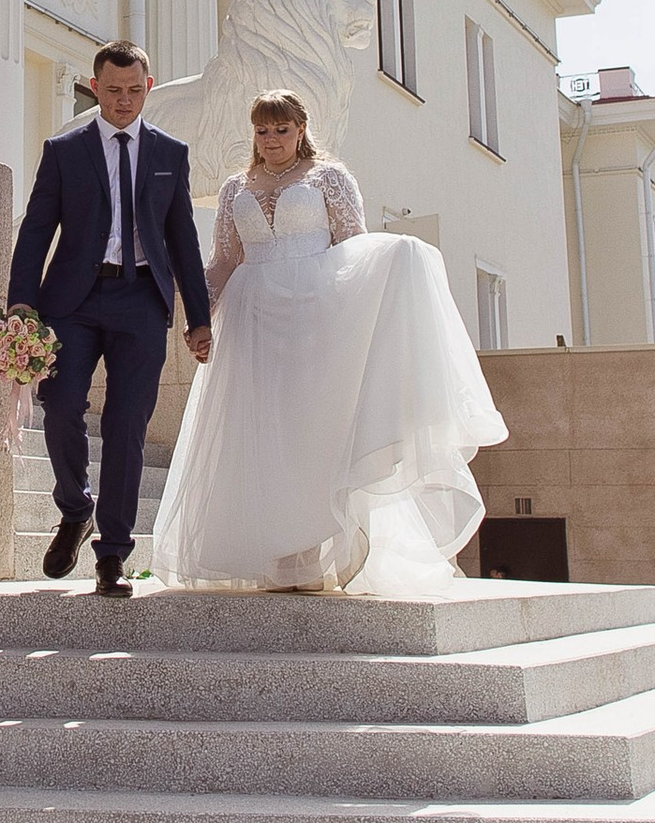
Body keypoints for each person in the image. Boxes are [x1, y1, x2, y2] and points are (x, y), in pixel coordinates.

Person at [150, 86, 507, 596]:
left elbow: (354, 249)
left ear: (300, 130)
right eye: (262, 130)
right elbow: (226, 260)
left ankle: (320, 552)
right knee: (259, 434)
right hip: (252, 322)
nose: (271, 139)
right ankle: (277, 558)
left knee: (313, 432)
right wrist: (199, 319)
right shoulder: (235, 188)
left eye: (281, 129)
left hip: (315, 318)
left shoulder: (329, 177)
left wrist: (393, 265)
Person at [4, 40, 212, 600]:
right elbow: (36, 230)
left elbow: (184, 240)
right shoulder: (64, 149)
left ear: (148, 86)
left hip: (142, 301)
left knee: (127, 426)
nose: (124, 101)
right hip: (72, 300)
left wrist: (199, 317)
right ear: (96, 88)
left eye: (135, 91)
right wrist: (21, 303)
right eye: (114, 91)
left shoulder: (171, 152)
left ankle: (113, 555)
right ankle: (76, 508)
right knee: (61, 403)